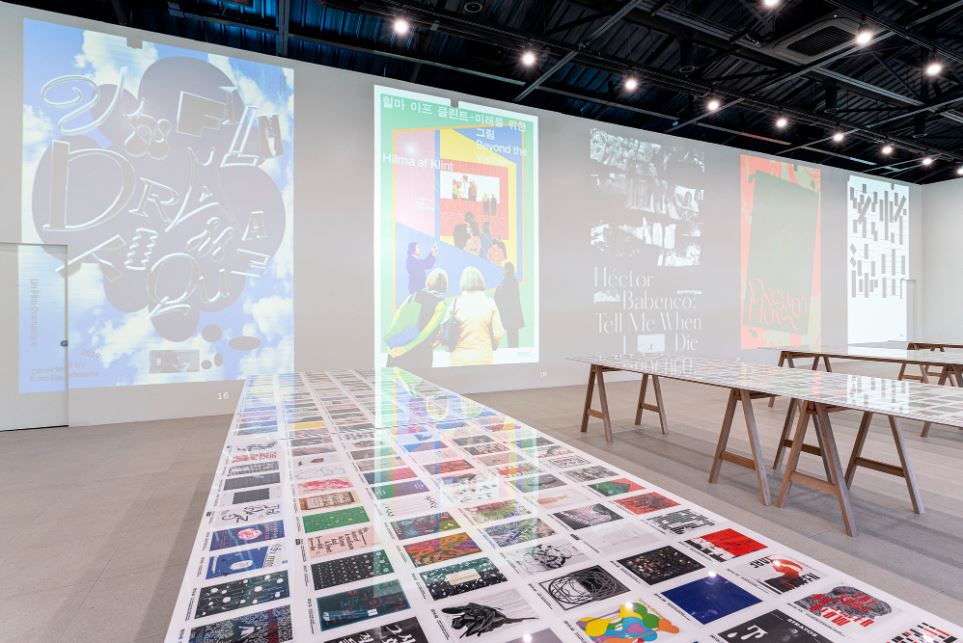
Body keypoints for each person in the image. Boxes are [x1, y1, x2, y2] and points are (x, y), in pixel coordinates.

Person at [386, 268, 449, 369]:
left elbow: (396, 322)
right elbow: (427, 332)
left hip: (397, 350)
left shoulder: (413, 296)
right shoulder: (440, 303)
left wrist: (391, 345)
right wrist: (406, 348)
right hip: (420, 354)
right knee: (419, 380)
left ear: (428, 282)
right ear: (445, 285)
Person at [449, 267, 505, 366]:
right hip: (483, 357)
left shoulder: (455, 304)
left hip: (459, 359)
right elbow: (498, 334)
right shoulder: (490, 303)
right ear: (481, 281)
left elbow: (446, 332)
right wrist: (492, 347)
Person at [494, 262, 524, 348]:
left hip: (509, 316)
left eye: (503, 269)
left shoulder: (505, 282)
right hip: (515, 315)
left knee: (511, 341)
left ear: (506, 270)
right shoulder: (514, 281)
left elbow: (498, 298)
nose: (502, 271)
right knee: (515, 339)